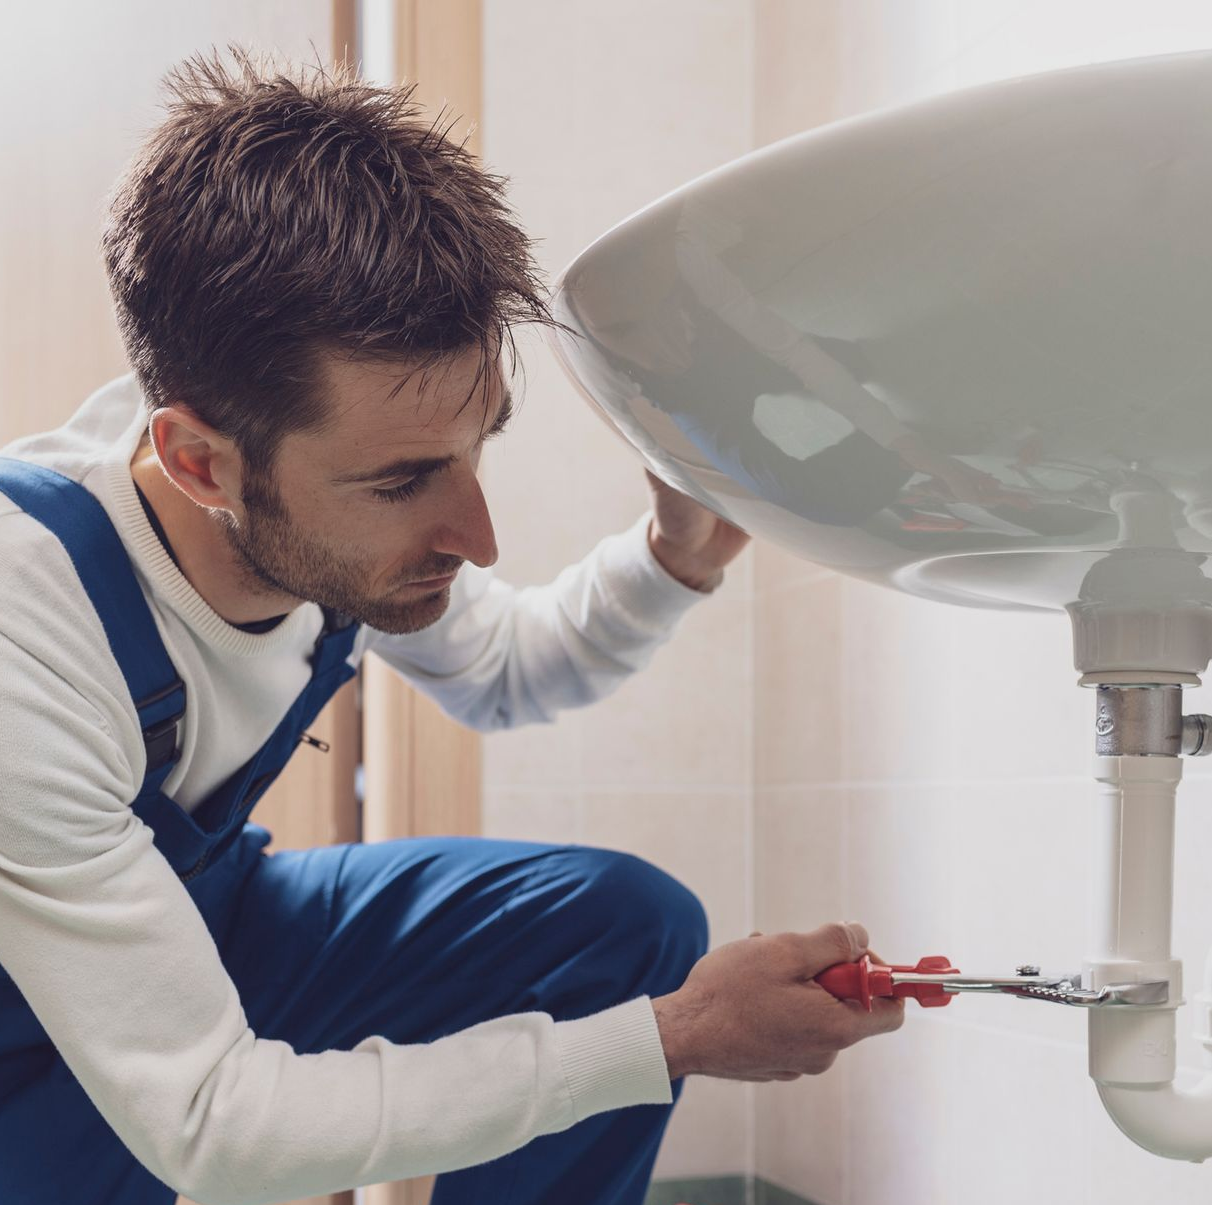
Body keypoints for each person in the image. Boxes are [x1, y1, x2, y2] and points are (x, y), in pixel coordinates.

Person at [0, 49, 902, 1205]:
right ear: (199, 460)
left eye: (478, 448)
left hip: (214, 917)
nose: (474, 533)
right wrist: (670, 1037)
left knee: (620, 926)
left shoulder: (302, 481)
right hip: (40, 1030)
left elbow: (503, 671)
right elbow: (211, 1120)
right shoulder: (32, 628)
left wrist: (676, 555)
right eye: (403, 482)